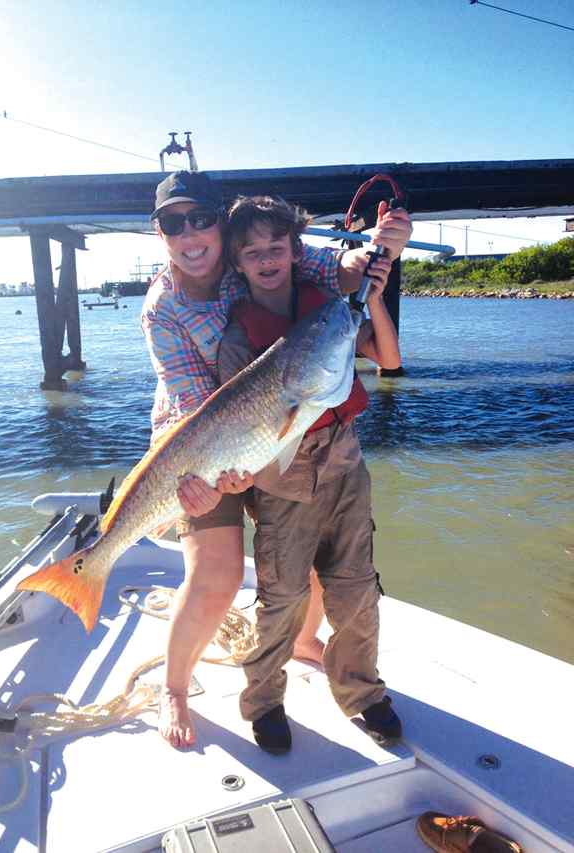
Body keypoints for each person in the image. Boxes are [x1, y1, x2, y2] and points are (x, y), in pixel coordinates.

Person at [142, 171, 412, 749]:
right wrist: (213, 479)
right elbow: (198, 409)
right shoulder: (163, 307)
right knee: (216, 576)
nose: (189, 234)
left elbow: (341, 270)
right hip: (200, 444)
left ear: (220, 226)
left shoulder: (261, 248)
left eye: (200, 219)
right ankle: (175, 687)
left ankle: (311, 648)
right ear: (160, 234)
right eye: (173, 223)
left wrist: (383, 248)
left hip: (281, 434)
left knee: (318, 564)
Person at [217, 195, 403, 753]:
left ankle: (362, 693)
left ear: (295, 251)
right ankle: (263, 702)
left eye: (276, 247)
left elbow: (389, 360)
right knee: (282, 598)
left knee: (356, 590)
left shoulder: (327, 308)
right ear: (237, 263)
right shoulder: (237, 339)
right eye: (252, 252)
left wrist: (375, 294)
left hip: (346, 466)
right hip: (282, 483)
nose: (267, 259)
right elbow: (239, 430)